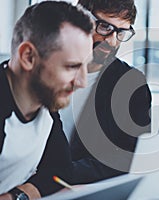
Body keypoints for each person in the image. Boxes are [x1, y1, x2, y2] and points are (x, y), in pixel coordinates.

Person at [0, 1, 93, 199]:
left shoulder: (44, 100)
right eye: (71, 67)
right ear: (28, 57)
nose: (82, 82)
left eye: (86, 66)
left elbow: (59, 170)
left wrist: (17, 196)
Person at [59, 0, 152, 184]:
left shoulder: (132, 84)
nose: (112, 41)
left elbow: (128, 157)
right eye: (104, 27)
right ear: (78, 18)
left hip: (87, 189)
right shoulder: (44, 69)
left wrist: (62, 175)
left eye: (121, 32)